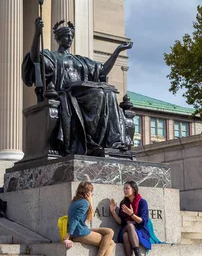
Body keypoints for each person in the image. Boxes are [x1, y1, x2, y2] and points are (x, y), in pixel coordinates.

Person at [22, 17, 134, 156]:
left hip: (83, 92)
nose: (70, 39)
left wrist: (117, 51)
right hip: (66, 93)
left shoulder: (80, 60)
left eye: (71, 36)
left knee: (109, 93)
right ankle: (92, 142)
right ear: (59, 38)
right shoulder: (52, 56)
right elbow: (35, 58)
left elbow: (103, 70)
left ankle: (114, 142)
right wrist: (37, 34)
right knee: (98, 94)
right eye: (66, 36)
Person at [64, 181, 116, 256]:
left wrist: (90, 201)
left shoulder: (75, 201)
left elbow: (89, 217)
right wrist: (67, 237)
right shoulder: (84, 203)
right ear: (87, 192)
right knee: (111, 242)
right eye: (91, 191)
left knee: (109, 231)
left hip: (81, 229)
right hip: (80, 233)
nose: (92, 194)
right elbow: (75, 220)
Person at [110, 181, 151, 256]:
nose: (125, 190)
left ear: (134, 189)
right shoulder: (123, 203)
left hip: (139, 229)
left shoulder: (142, 202)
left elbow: (143, 221)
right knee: (128, 226)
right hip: (126, 227)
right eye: (124, 188)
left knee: (126, 236)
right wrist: (113, 212)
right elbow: (121, 222)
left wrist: (131, 214)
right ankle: (138, 255)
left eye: (127, 188)